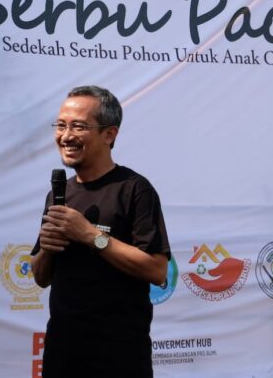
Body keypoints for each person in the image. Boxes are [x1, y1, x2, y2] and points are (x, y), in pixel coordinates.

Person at [31, 85, 171, 378]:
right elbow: (41, 278)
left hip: (119, 356)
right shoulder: (58, 194)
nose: (66, 136)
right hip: (62, 355)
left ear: (109, 134)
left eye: (78, 126)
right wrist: (47, 248)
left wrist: (89, 235)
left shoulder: (135, 189)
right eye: (61, 125)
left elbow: (157, 270)